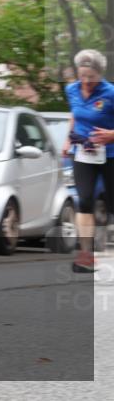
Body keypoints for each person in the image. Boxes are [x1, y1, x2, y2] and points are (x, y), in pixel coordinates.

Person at [61, 49, 114, 272]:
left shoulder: (111, 92)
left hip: (111, 154)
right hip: (83, 152)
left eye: (91, 77)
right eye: (83, 76)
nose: (86, 81)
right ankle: (86, 256)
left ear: (100, 74)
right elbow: (75, 114)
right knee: (84, 200)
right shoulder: (71, 89)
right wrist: (67, 140)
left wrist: (112, 135)